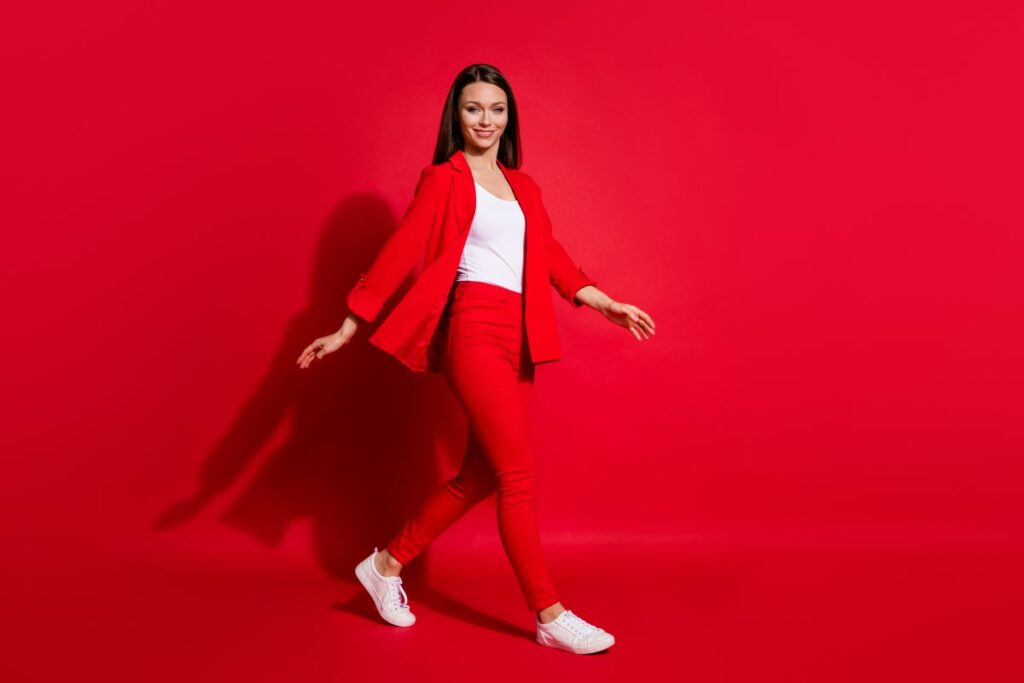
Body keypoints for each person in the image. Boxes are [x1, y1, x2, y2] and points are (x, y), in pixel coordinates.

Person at [296, 64, 655, 655]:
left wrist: (602, 301)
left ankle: (385, 566)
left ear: (508, 115)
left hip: (520, 337)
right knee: (518, 473)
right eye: (472, 109)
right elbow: (401, 248)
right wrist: (349, 324)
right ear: (455, 116)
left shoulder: (524, 186)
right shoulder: (444, 179)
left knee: (481, 473)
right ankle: (550, 614)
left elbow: (552, 256)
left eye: (495, 109)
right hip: (474, 329)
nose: (485, 120)